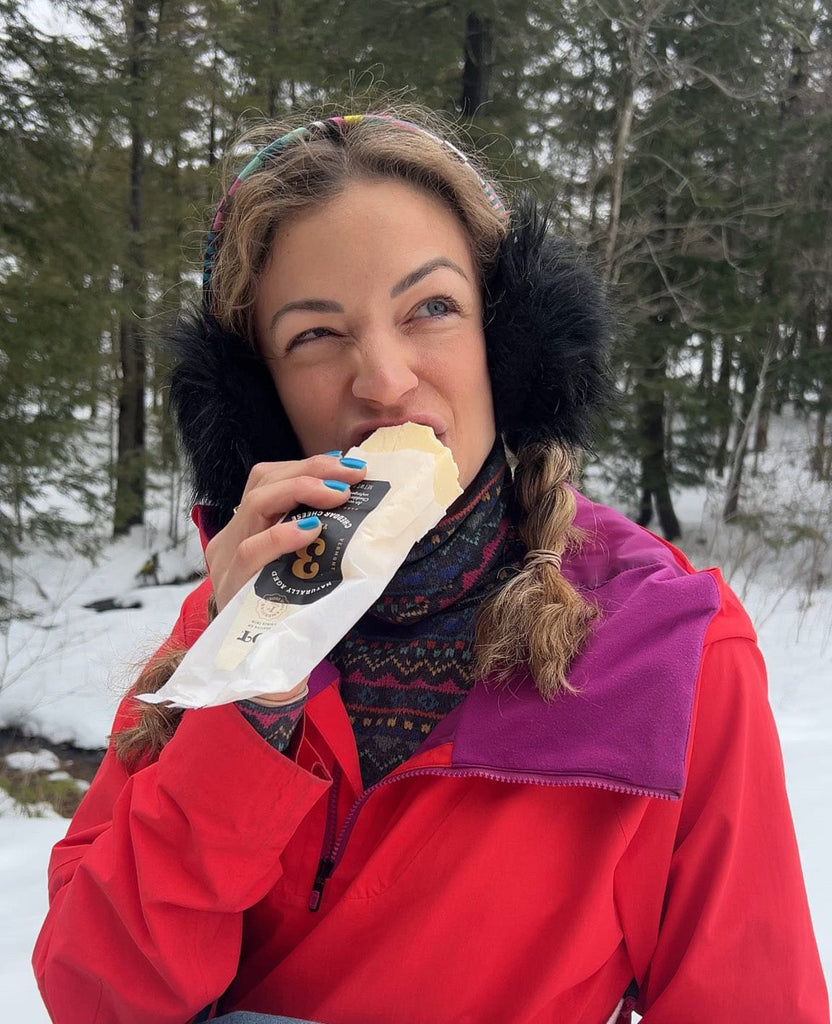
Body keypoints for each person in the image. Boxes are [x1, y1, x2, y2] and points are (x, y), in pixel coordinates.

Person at [33, 112, 827, 1024]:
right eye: (315, 336)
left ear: (510, 340)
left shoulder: (677, 647)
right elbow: (98, 995)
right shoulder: (229, 627)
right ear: (259, 403)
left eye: (432, 309)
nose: (384, 378)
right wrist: (253, 688)